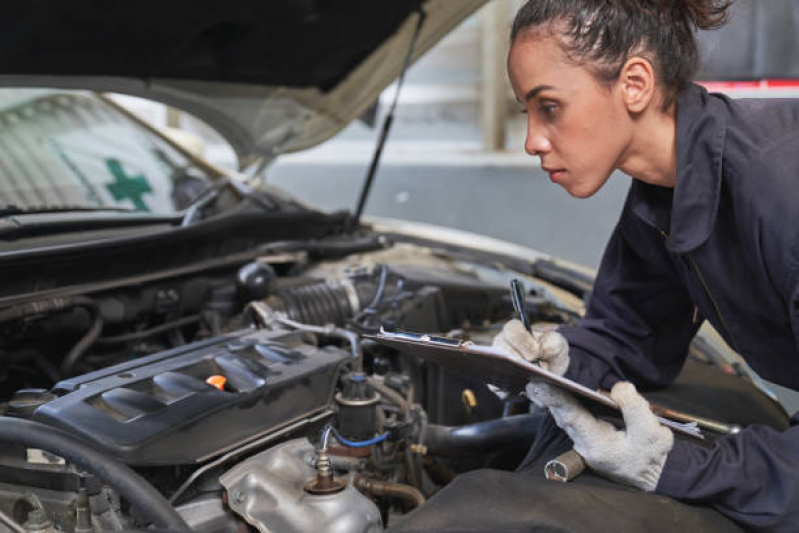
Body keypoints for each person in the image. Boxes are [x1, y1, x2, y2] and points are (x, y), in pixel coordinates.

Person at [493, 0, 799, 531]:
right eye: (528, 112)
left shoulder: (780, 192)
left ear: (635, 83)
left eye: (550, 108)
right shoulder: (663, 196)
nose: (532, 141)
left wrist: (675, 466)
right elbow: (634, 334)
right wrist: (558, 359)